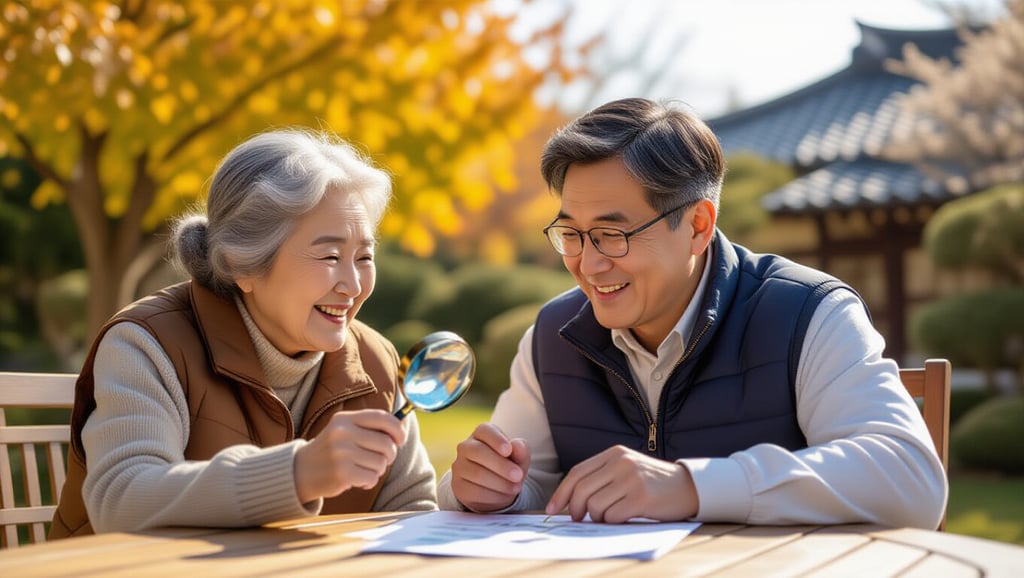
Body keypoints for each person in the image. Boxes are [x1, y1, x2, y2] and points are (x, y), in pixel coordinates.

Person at [438, 97, 948, 529]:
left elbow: (909, 477)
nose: (588, 264)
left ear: (699, 225)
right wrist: (487, 488)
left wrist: (690, 486)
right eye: (571, 233)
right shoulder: (554, 333)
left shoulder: (807, 313)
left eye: (613, 234)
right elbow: (529, 481)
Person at [50, 129, 436, 538]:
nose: (353, 284)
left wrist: (474, 494)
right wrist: (297, 473)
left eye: (364, 257)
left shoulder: (375, 360)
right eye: (330, 256)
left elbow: (415, 515)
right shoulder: (146, 343)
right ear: (241, 263)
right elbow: (121, 501)